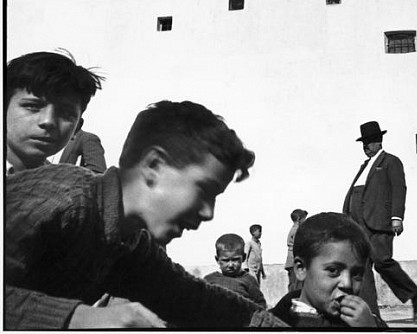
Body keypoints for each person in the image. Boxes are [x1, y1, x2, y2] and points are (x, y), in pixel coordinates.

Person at [4, 100, 287, 329]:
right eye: (204, 190)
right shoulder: (61, 195)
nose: (208, 213)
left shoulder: (131, 246)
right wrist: (80, 317)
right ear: (153, 166)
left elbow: (196, 300)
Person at [341, 121, 417, 320]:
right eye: (363, 142)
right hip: (357, 224)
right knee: (361, 268)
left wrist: (397, 217)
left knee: (381, 260)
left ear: (379, 141)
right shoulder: (364, 166)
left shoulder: (390, 161)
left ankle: (413, 293)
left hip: (378, 222)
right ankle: (371, 313)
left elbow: (399, 189)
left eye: (369, 142)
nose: (366, 146)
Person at [271, 212, 387, 328]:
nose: (347, 284)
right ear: (301, 269)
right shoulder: (273, 324)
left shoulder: (368, 322)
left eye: (357, 274)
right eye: (333, 270)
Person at [5, 50, 103, 174]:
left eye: (66, 114)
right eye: (32, 106)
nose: (48, 121)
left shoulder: (67, 186)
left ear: (77, 127)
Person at [204, 233, 267, 306]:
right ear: (217, 260)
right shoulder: (209, 280)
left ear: (243, 258)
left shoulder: (249, 281)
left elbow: (260, 306)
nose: (230, 265)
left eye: (235, 260)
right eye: (226, 260)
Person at [285, 209, 309, 292]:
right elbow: (298, 245)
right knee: (296, 285)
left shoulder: (295, 229)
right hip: (295, 260)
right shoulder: (297, 230)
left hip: (292, 260)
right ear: (299, 219)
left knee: (294, 284)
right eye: (304, 219)